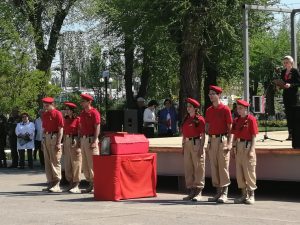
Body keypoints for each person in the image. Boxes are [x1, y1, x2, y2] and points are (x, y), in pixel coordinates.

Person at [205, 85, 233, 203]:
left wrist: (230, 143)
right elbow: (207, 126)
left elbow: (230, 127)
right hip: (212, 140)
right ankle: (218, 192)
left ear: (219, 95)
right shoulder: (209, 110)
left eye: (213, 94)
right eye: (209, 94)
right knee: (214, 166)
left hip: (222, 140)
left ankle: (224, 193)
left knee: (223, 166)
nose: (211, 96)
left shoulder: (225, 109)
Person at [232, 100, 258, 205]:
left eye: (241, 108)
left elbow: (254, 136)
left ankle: (251, 195)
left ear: (246, 109)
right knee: (240, 172)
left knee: (249, 172)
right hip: (238, 146)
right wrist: (233, 149)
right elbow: (234, 135)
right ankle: (243, 195)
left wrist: (252, 150)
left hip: (247, 146)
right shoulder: (237, 120)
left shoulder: (251, 119)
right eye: (238, 108)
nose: (239, 110)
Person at [181, 98, 206, 201]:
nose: (188, 108)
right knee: (188, 167)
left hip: (196, 143)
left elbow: (203, 135)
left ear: (195, 108)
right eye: (187, 106)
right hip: (187, 144)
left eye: (190, 106)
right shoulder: (186, 119)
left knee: (198, 167)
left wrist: (201, 147)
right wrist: (183, 146)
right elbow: (184, 134)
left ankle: (198, 191)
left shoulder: (199, 119)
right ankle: (191, 190)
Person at [41, 97, 64, 193]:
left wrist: (58, 142)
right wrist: (42, 140)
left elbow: (61, 129)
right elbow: (44, 129)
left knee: (55, 161)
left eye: (47, 104)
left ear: (51, 104)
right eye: (44, 104)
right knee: (47, 162)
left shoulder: (57, 113)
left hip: (54, 137)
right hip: (46, 137)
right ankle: (50, 182)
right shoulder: (45, 114)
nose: (45, 106)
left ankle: (57, 184)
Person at [79, 93, 101, 193]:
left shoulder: (94, 112)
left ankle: (96, 185)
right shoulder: (82, 113)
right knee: (85, 164)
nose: (82, 103)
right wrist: (79, 140)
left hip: (91, 139)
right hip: (84, 139)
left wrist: (94, 140)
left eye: (83, 101)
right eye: (82, 101)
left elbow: (97, 127)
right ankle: (90, 184)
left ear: (89, 102)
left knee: (93, 163)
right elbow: (80, 128)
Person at [63, 102, 81, 193]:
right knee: (68, 163)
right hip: (66, 140)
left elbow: (80, 132)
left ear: (72, 111)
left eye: (67, 109)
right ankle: (70, 183)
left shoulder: (77, 119)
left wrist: (78, 145)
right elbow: (64, 132)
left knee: (76, 163)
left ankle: (76, 184)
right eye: (65, 109)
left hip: (74, 140)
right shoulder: (65, 119)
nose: (66, 111)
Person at [280, 55, 300, 140]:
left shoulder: (295, 71)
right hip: (286, 95)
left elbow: (298, 83)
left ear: (291, 63)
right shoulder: (283, 72)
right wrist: (279, 85)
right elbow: (282, 82)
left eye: (286, 62)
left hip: (294, 96)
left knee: (294, 115)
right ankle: (290, 134)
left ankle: (296, 134)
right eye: (284, 62)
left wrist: (291, 85)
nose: (285, 64)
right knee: (288, 115)